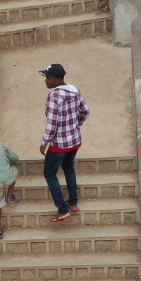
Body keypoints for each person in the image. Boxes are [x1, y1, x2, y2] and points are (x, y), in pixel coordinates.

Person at [38, 62, 88, 224]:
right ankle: (73, 203)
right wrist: (75, 125)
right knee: (68, 167)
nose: (46, 80)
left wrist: (44, 142)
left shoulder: (55, 96)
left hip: (59, 144)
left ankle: (63, 210)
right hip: (74, 140)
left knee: (50, 174)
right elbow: (85, 111)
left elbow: (52, 124)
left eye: (48, 78)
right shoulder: (74, 90)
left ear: (58, 80)